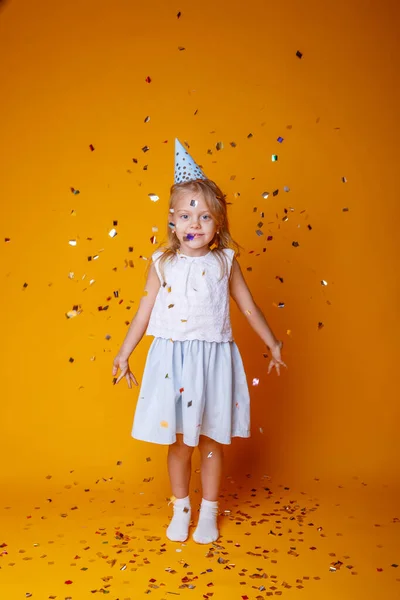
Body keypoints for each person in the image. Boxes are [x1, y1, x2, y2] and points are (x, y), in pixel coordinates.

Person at [112, 139, 287, 545]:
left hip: (212, 361)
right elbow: (143, 312)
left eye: (205, 216)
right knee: (177, 443)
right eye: (187, 214)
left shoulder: (225, 262)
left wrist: (273, 344)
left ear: (219, 225)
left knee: (209, 439)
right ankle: (181, 507)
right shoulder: (162, 263)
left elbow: (247, 306)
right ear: (172, 220)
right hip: (172, 361)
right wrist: (124, 354)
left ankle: (208, 510)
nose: (195, 222)